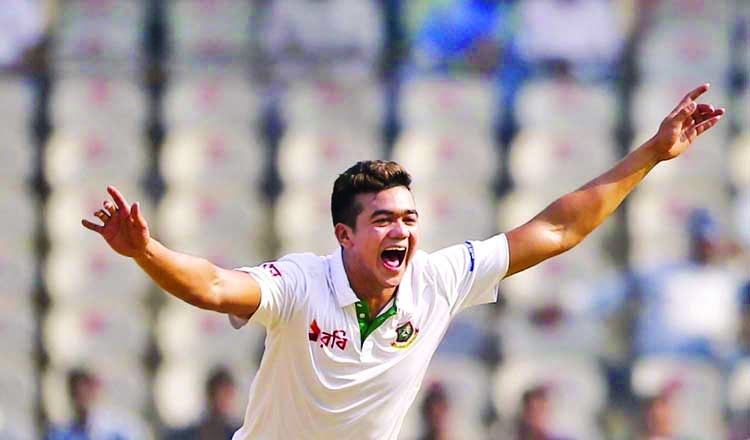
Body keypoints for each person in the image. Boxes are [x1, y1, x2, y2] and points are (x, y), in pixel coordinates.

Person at [82, 84, 724, 439]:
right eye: (384, 220)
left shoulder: (437, 281)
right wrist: (147, 250)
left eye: (411, 218)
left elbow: (556, 229)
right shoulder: (301, 282)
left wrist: (650, 154)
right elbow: (216, 287)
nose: (403, 232)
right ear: (344, 234)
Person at [165, 367, 239, 440]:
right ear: (211, 395)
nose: (226, 400)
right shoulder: (188, 434)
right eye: (224, 394)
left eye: (229, 394)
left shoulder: (235, 434)